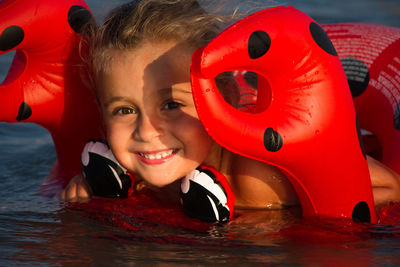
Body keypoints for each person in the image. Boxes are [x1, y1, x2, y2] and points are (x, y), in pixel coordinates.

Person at [60, 0, 400, 216]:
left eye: (171, 104)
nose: (147, 132)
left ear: (223, 98)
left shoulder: (258, 174)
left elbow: (391, 186)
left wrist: (272, 225)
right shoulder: (134, 173)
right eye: (124, 110)